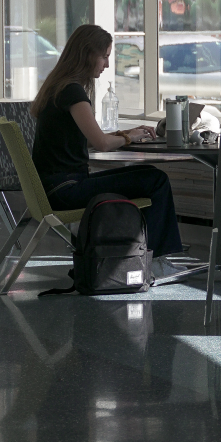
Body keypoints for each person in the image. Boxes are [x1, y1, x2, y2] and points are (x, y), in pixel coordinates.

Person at [30, 24, 183, 265]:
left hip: (56, 187)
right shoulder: (72, 92)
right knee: (156, 180)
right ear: (88, 54)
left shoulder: (58, 87)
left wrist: (126, 133)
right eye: (105, 56)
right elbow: (100, 143)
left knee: (152, 176)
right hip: (66, 190)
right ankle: (157, 259)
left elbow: (90, 138)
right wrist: (129, 137)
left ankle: (144, 255)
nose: (107, 65)